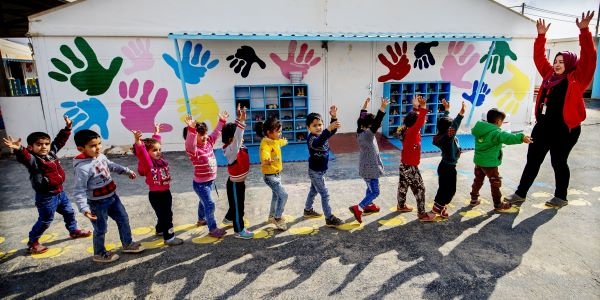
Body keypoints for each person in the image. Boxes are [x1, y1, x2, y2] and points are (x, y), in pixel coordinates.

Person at [505, 11, 597, 208]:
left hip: (566, 129)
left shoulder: (577, 79)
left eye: (562, 62)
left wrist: (584, 31)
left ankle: (561, 197)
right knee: (533, 160)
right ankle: (520, 194)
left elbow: (589, 57)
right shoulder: (548, 75)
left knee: (558, 162)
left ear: (570, 64)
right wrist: (540, 37)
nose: (556, 64)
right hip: (544, 126)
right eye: (556, 61)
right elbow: (539, 57)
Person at [2, 116, 91, 255]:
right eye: (39, 144)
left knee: (69, 212)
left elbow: (59, 141)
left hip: (60, 193)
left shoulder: (51, 153)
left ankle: (73, 231)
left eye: (46, 144)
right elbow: (24, 156)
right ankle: (33, 243)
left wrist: (67, 128)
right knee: (45, 220)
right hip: (46, 197)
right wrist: (19, 149)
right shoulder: (33, 160)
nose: (44, 147)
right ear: (31, 147)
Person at [72, 129, 145, 263]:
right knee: (100, 229)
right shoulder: (82, 168)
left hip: (112, 197)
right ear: (81, 148)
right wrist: (84, 209)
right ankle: (99, 253)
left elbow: (111, 166)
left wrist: (126, 171)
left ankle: (127, 244)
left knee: (123, 219)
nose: (98, 147)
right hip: (97, 203)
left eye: (99, 143)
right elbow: (79, 191)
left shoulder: (101, 156)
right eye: (93, 146)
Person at [470, 108, 532, 212]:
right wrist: (522, 137)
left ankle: (473, 199)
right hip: (490, 164)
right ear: (498, 121)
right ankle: (498, 205)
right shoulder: (495, 133)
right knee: (495, 183)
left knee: (478, 180)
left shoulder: (480, 129)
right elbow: (508, 137)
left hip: (479, 161)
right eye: (502, 122)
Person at [132, 124, 183, 246]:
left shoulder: (160, 160)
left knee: (166, 214)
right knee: (166, 216)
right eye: (154, 150)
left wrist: (157, 132)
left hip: (166, 192)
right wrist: (138, 141)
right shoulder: (148, 163)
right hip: (156, 195)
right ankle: (169, 238)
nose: (158, 152)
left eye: (159, 149)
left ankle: (160, 229)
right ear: (147, 153)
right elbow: (142, 153)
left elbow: (156, 143)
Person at [184, 113, 228, 238]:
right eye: (201, 134)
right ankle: (212, 229)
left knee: (202, 201)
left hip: (210, 181)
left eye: (205, 133)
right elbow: (189, 143)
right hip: (200, 184)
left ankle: (201, 219)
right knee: (209, 204)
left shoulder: (208, 142)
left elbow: (216, 133)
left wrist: (221, 121)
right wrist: (191, 129)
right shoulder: (194, 150)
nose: (204, 137)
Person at [395, 95, 437, 222]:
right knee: (420, 189)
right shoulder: (412, 132)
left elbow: (414, 119)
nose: (424, 120)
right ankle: (422, 214)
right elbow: (418, 121)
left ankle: (401, 206)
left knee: (403, 185)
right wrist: (423, 108)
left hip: (404, 164)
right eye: (422, 119)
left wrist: (415, 107)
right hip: (410, 167)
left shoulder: (408, 129)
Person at [303, 105, 344, 227]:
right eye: (314, 125)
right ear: (308, 128)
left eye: (320, 125)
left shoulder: (323, 135)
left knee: (313, 190)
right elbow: (319, 142)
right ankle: (329, 217)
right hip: (315, 172)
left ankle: (307, 210)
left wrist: (334, 117)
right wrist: (327, 129)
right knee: (325, 194)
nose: (318, 127)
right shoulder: (312, 139)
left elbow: (333, 130)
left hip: (320, 171)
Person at [349, 97, 388, 223]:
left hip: (366, 167)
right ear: (370, 126)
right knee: (375, 191)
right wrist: (382, 107)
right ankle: (359, 208)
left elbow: (361, 119)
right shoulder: (368, 135)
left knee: (369, 188)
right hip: (371, 169)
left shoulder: (360, 131)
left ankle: (369, 205)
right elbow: (377, 122)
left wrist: (365, 106)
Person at [221, 104, 254, 239]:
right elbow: (237, 137)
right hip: (234, 185)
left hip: (240, 184)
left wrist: (238, 119)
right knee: (238, 207)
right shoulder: (231, 151)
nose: (241, 138)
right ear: (231, 139)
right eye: (236, 137)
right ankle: (239, 230)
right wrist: (242, 122)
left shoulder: (236, 146)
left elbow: (237, 135)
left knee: (237, 204)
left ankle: (229, 218)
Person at [431, 100, 466, 218]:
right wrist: (461, 114)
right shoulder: (448, 138)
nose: (452, 129)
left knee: (444, 188)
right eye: (450, 128)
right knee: (450, 190)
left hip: (445, 166)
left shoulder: (442, 134)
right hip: (448, 167)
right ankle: (437, 208)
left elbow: (443, 122)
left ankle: (440, 206)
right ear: (449, 130)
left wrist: (446, 110)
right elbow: (454, 125)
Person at [256, 116, 289, 231]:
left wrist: (284, 141)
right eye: (278, 131)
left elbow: (279, 142)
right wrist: (266, 159)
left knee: (276, 196)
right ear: (269, 132)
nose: (280, 133)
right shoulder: (265, 143)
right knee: (284, 195)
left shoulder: (274, 140)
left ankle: (271, 216)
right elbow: (264, 153)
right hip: (270, 177)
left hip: (276, 175)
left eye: (280, 131)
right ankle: (278, 218)